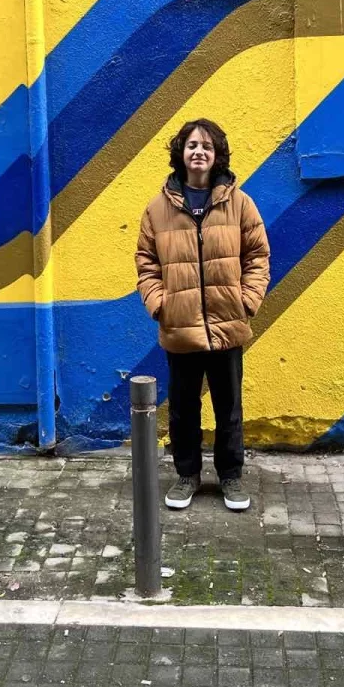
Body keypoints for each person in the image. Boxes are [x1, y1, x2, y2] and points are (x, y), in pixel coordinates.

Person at [135, 118, 270, 511]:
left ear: (217, 155)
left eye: (207, 146)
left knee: (229, 408)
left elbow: (258, 256)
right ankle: (187, 475)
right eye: (192, 145)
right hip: (179, 326)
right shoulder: (157, 209)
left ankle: (230, 477)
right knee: (182, 409)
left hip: (228, 324)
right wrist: (160, 303)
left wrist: (247, 301)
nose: (199, 152)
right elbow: (146, 262)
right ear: (181, 152)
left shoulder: (240, 204)